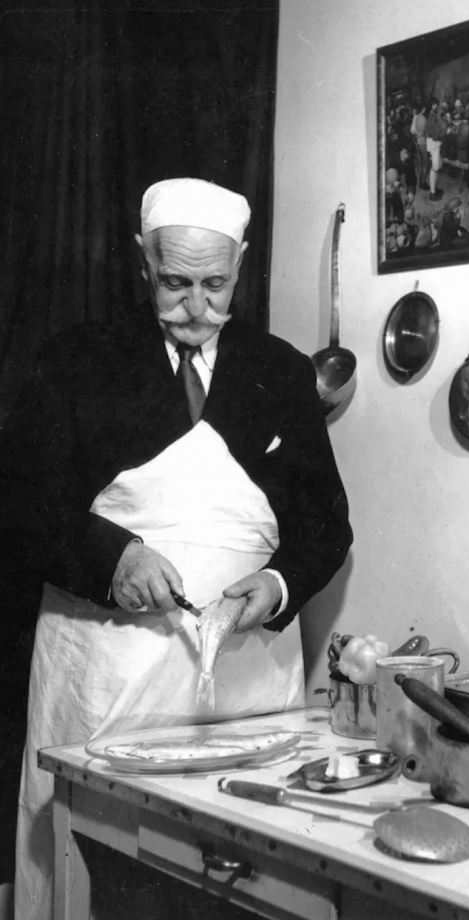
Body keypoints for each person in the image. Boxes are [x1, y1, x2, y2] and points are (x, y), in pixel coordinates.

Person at [2, 177, 353, 920]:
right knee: (103, 876)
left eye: (215, 285)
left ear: (242, 265)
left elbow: (326, 525)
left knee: (243, 884)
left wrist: (278, 585)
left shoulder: (282, 371)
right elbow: (21, 505)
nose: (196, 306)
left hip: (247, 683)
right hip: (107, 675)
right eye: (175, 283)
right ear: (143, 261)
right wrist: (113, 559)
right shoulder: (74, 359)